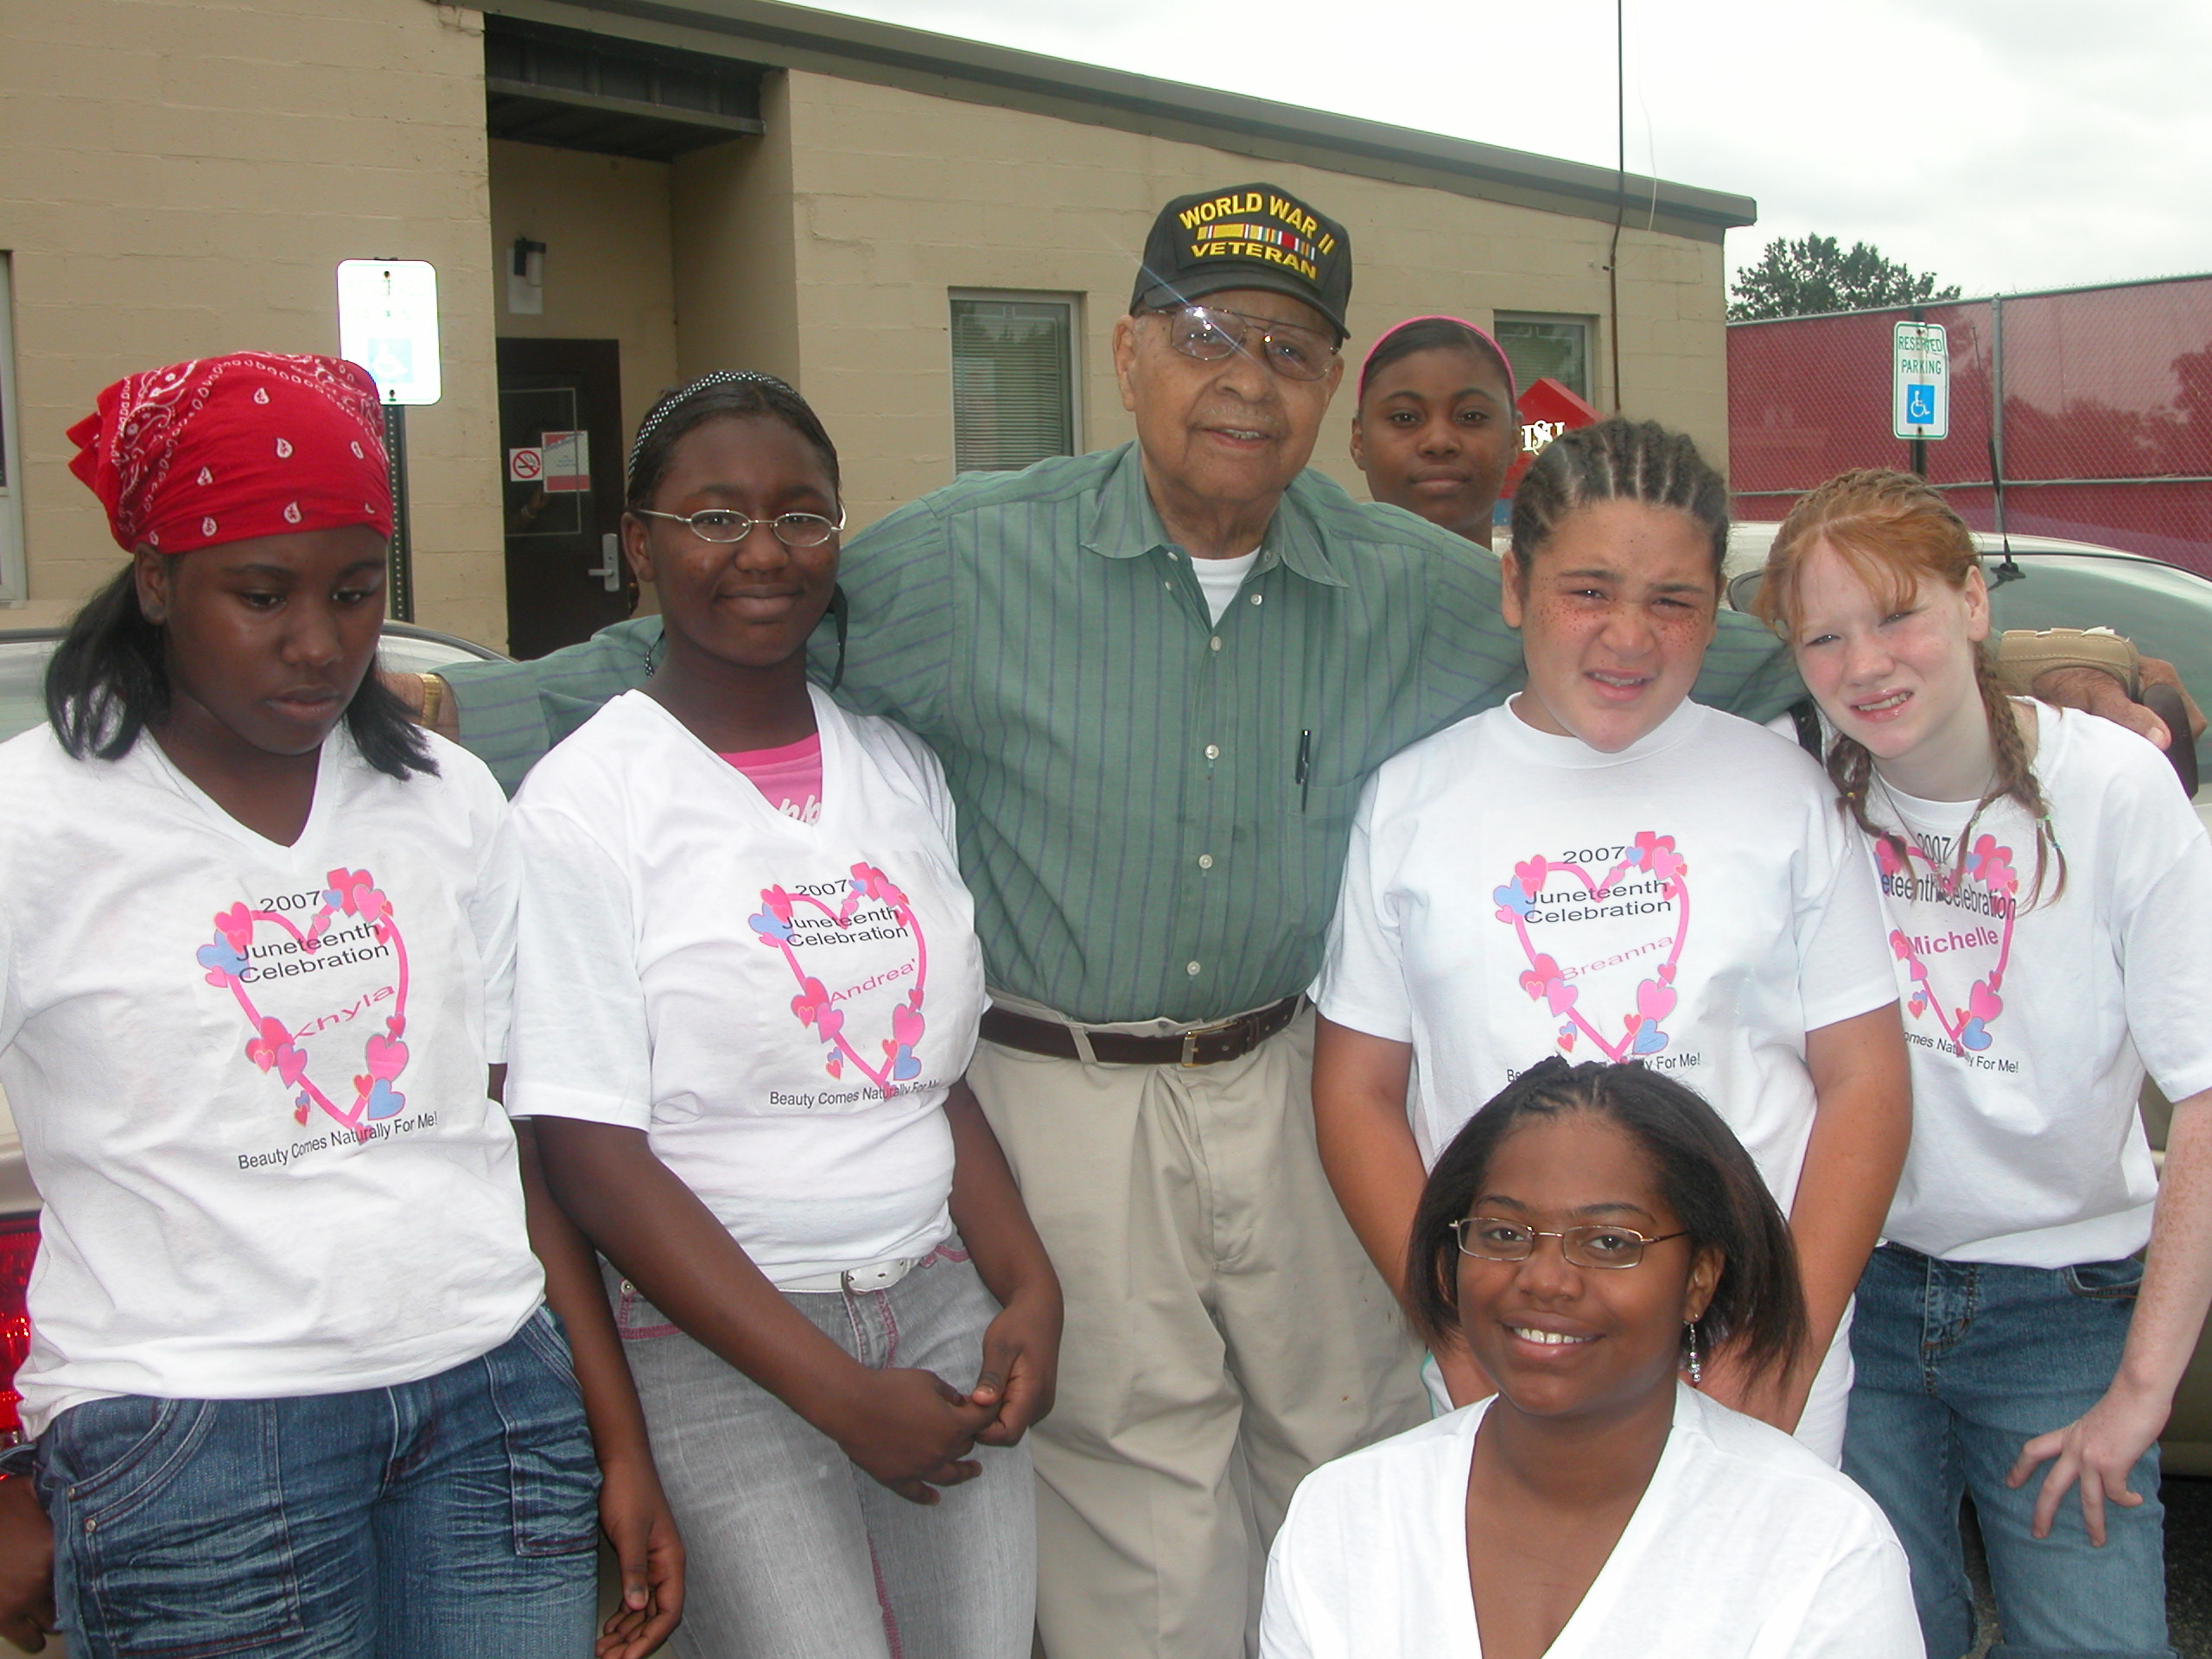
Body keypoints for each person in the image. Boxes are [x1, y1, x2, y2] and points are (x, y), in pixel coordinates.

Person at [393, 184, 2158, 1659]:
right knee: (1136, 1502)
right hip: (1057, 1089)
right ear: (1130, 349)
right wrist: (438, 713)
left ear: (1323, 385)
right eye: (1207, 335)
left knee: (1366, 1448)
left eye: (1289, 350)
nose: (1244, 380)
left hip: (1295, 1068)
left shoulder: (1408, 583)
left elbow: (1695, 642)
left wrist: (2004, 671)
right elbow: (714, 624)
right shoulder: (961, 559)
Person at [0, 353, 681, 1658]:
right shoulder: (37, 823)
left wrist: (613, 1431)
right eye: (262, 595)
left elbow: (500, 1139)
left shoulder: (444, 799)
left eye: (358, 593)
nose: (320, 641)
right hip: (191, 1442)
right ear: (156, 582)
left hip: (489, 1412)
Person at [507, 372, 1061, 1659]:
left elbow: (929, 1080)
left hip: (934, 1300)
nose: (762, 551)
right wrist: (836, 1394)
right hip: (720, 1335)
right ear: (641, 546)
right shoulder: (586, 806)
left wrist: (1028, 1285)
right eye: (713, 517)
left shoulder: (898, 769)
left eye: (802, 516)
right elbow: (588, 1152)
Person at [1311, 418, 1910, 1462]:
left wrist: (1780, 1348)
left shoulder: (1781, 790)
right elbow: (1356, 1092)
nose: (1628, 638)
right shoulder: (1413, 800)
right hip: (1514, 1351)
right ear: (1513, 588)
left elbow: (1865, 1081)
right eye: (1587, 591)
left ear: (1712, 608)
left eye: (1670, 601)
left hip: (1745, 1351)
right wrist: (1454, 1334)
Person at [1754, 468, 2212, 1659]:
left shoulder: (2111, 789)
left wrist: (2141, 1395)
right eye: (1824, 635)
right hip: (1857, 1285)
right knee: (1871, 1631)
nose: (1866, 664)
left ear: (1973, 601)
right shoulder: (1794, 780)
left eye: (1898, 612)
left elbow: (2207, 1094)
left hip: (2062, 1303)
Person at [1259, 1058, 1923, 1658]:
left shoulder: (1822, 1546)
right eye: (1503, 1233)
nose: (1545, 1279)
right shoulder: (1343, 1518)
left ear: (1699, 1279)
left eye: (1609, 1242)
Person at [1347, 315, 1518, 544]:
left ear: (1514, 438)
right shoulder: (1314, 578)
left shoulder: (1554, 579)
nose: (1439, 442)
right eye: (1404, 417)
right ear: (1359, 441)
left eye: (1471, 416)